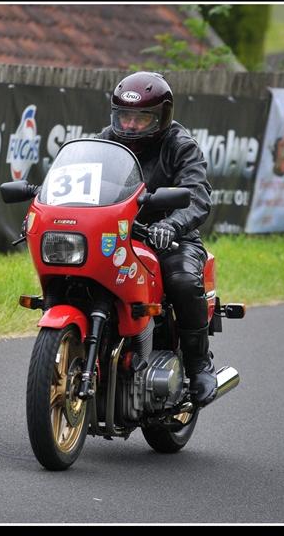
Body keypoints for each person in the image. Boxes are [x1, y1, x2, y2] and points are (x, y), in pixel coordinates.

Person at [96, 71, 217, 406]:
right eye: (125, 117)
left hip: (170, 237)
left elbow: (197, 196)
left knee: (180, 280)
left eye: (142, 118)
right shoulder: (105, 140)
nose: (131, 125)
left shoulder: (180, 145)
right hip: (119, 234)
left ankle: (198, 366)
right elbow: (77, 179)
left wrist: (173, 225)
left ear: (162, 117)